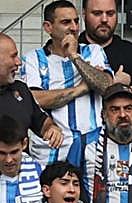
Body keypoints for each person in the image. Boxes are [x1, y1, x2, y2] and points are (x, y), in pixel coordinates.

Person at [21, 0, 118, 157]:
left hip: (93, 150)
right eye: (66, 22)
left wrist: (74, 56)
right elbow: (34, 100)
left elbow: (106, 86)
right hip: (51, 152)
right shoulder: (32, 58)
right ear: (48, 27)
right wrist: (81, 89)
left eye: (76, 21)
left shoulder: (93, 51)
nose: (74, 28)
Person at [0, 33, 63, 155]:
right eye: (13, 56)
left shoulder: (21, 89)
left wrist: (51, 128)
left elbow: (41, 120)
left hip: (21, 172)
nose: (18, 62)